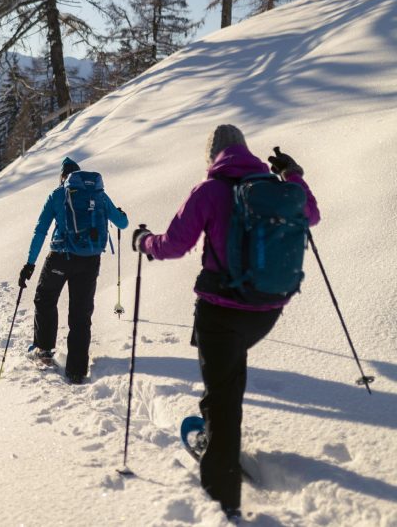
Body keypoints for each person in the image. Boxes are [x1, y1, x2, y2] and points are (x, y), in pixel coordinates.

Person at [131, 125, 320, 521]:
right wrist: (293, 174)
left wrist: (143, 241)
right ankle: (218, 435)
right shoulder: (273, 186)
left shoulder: (210, 191)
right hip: (268, 309)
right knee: (227, 378)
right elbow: (312, 214)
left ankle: (222, 498)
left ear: (213, 156)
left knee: (222, 395)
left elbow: (173, 246)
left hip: (220, 309)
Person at [19, 157, 129, 384]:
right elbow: (122, 223)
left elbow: (40, 230)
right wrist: (121, 214)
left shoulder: (58, 195)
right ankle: (77, 370)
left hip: (60, 258)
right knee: (81, 314)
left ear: (64, 177)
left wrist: (30, 264)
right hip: (89, 261)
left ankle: (45, 351)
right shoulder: (98, 195)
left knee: (45, 298)